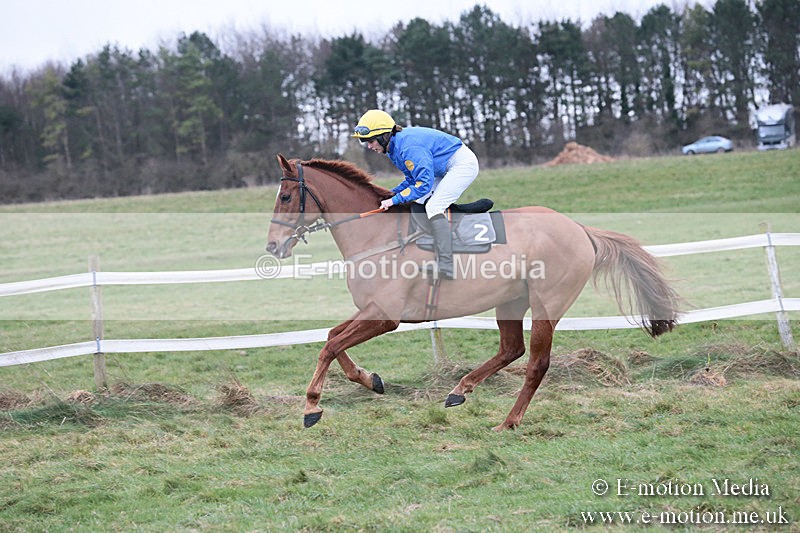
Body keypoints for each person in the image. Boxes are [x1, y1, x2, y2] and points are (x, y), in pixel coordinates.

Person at [352, 109, 480, 280]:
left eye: (370, 141)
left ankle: (446, 265)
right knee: (418, 203)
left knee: (434, 206)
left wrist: (394, 200)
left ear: (384, 136)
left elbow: (423, 184)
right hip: (441, 168)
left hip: (461, 164)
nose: (369, 146)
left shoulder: (409, 147)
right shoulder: (393, 148)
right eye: (365, 142)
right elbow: (412, 179)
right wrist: (391, 194)